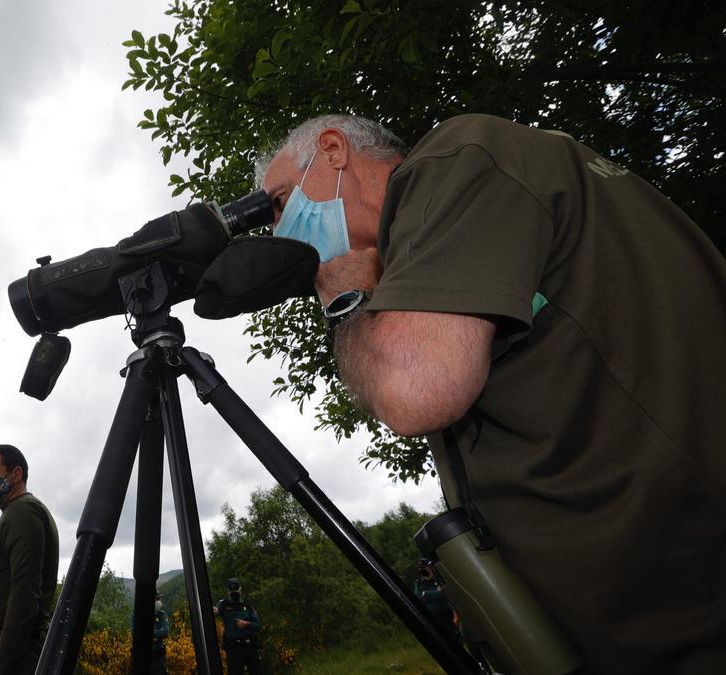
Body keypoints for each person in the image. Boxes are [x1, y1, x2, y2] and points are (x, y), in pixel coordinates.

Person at [257, 113, 726, 673]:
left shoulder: (457, 159)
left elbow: (415, 389)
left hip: (681, 613)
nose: (280, 232)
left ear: (333, 151)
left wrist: (347, 298)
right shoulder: (451, 232)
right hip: (634, 613)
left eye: (280, 203)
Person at [0, 444, 59, 675]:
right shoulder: (17, 511)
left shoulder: (23, 511)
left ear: (16, 474)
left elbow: (25, 591)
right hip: (2, 651)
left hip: (9, 655)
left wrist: (1, 664)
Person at [213, 578, 262, 674]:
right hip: (234, 648)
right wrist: (214, 610)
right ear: (228, 591)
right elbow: (216, 611)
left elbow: (257, 625)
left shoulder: (247, 604)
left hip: (250, 646)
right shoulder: (223, 604)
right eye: (232, 591)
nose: (234, 593)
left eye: (236, 591)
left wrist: (246, 624)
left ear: (240, 589)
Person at [411, 558, 455, 636]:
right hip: (434, 616)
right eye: (422, 568)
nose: (424, 569)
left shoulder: (439, 579)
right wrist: (438, 592)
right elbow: (419, 599)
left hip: (449, 613)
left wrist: (427, 594)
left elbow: (446, 594)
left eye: (426, 566)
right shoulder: (419, 584)